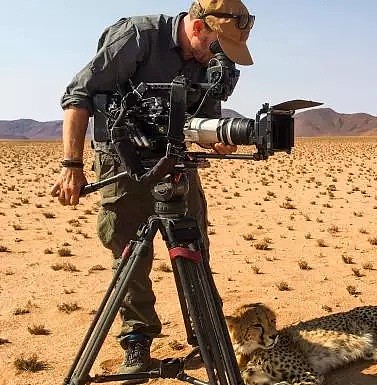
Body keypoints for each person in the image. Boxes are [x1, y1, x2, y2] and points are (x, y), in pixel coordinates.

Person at [51, 0, 254, 378]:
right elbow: (78, 95)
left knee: (192, 243)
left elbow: (202, 118)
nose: (221, 58)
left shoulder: (209, 62)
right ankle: (137, 339)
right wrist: (72, 165)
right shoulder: (138, 37)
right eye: (219, 47)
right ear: (198, 28)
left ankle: (205, 331)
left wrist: (217, 139)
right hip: (124, 159)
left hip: (174, 160)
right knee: (130, 252)